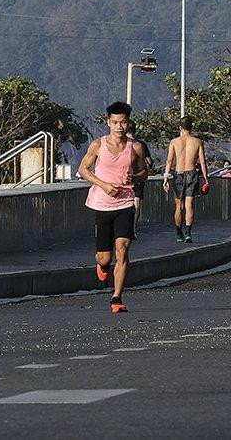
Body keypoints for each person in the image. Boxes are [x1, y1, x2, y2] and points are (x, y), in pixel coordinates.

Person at [78, 102, 149, 313]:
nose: (119, 126)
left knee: (123, 249)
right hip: (102, 204)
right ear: (109, 122)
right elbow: (83, 169)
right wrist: (103, 185)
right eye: (115, 122)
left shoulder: (135, 147)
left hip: (125, 203)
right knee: (105, 257)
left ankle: (116, 297)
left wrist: (134, 177)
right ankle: (101, 265)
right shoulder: (98, 145)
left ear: (128, 123)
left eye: (123, 122)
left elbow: (144, 172)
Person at [162, 116, 209, 243]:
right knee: (189, 204)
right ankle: (188, 232)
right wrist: (206, 179)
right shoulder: (198, 142)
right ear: (191, 127)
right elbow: (203, 162)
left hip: (179, 173)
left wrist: (166, 177)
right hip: (192, 173)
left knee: (179, 205)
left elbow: (169, 161)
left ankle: (178, 232)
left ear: (180, 127)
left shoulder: (174, 142)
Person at [126, 120, 154, 222]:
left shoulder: (122, 144)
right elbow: (149, 161)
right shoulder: (141, 144)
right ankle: (133, 227)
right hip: (138, 177)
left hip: (124, 176)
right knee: (137, 202)